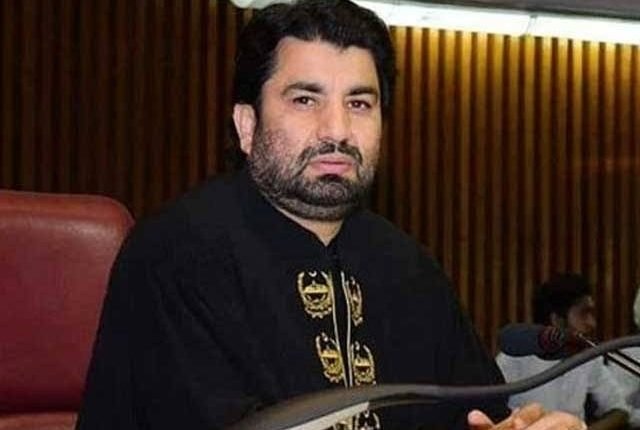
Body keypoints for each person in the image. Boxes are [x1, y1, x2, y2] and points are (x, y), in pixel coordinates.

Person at [76, 1, 584, 429]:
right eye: (305, 99)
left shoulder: (410, 269)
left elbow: (478, 414)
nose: (337, 130)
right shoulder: (177, 254)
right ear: (247, 125)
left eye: (359, 103)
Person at [496, 273, 630, 425]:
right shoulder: (513, 359)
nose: (592, 323)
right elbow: (489, 414)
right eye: (584, 313)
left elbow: (620, 411)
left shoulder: (588, 354)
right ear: (557, 320)